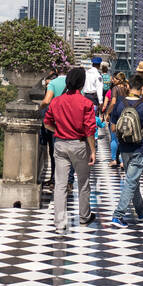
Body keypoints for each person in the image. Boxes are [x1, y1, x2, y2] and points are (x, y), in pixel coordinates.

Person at [45, 67, 98, 235]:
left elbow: (47, 123)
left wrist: (59, 130)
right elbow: (89, 130)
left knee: (60, 184)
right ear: (82, 84)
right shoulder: (86, 103)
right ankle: (84, 216)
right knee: (83, 182)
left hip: (60, 143)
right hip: (79, 144)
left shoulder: (56, 101)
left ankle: (60, 222)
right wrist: (93, 150)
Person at [109, 79, 143, 227]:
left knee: (132, 180)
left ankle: (141, 211)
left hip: (124, 148)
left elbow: (113, 128)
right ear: (141, 88)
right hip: (138, 148)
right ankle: (118, 215)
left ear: (128, 87)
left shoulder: (120, 103)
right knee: (131, 181)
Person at [104, 73, 129, 167]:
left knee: (114, 138)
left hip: (116, 113)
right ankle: (123, 161)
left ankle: (114, 159)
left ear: (118, 79)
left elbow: (113, 102)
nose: (112, 80)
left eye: (114, 79)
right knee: (123, 137)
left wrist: (107, 113)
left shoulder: (115, 88)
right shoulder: (127, 87)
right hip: (125, 112)